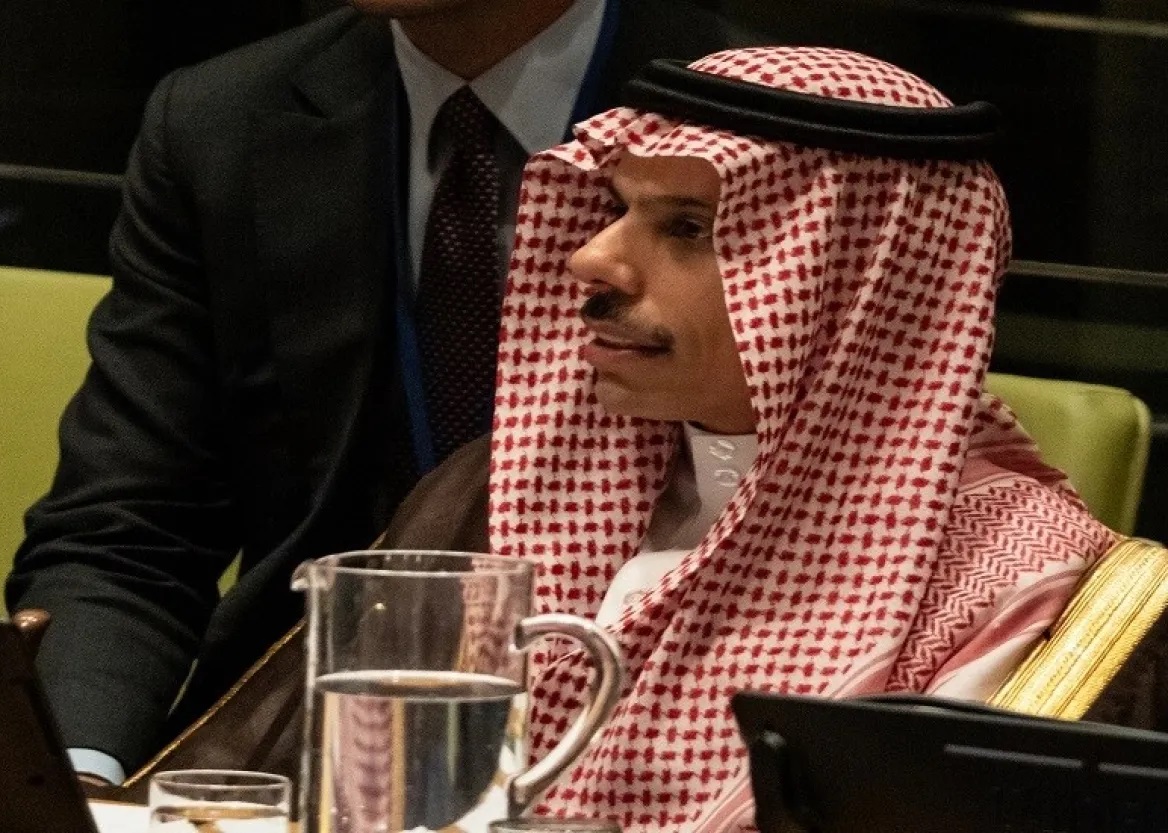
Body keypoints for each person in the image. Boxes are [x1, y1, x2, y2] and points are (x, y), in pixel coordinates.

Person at [107, 46, 1140, 830]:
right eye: (615, 210)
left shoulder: (1018, 585)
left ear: (851, 279)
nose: (592, 260)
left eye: (685, 228)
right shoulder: (506, 483)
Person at [5, 0, 750, 786]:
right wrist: (74, 779)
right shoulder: (221, 119)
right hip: (297, 735)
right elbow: (131, 525)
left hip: (664, 734)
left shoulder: (772, 117)